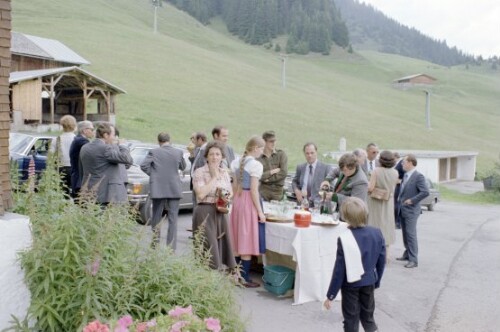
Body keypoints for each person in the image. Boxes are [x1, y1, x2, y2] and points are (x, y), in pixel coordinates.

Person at [323, 197, 386, 332]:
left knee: (351, 319)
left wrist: (331, 295)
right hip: (369, 281)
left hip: (350, 284)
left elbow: (339, 270)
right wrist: (377, 280)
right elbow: (381, 261)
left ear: (346, 217)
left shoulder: (344, 238)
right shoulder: (377, 233)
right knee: (368, 317)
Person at [192, 141, 237, 270]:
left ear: (222, 157)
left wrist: (225, 196)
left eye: (217, 154)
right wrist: (214, 177)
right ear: (206, 156)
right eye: (211, 154)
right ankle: (203, 281)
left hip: (221, 212)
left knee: (221, 248)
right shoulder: (199, 172)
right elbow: (200, 194)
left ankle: (214, 281)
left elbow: (230, 192)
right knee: (207, 248)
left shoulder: (225, 173)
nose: (214, 157)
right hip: (204, 212)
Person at [230, 136, 266, 288]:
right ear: (256, 148)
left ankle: (236, 275)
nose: (262, 152)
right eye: (262, 149)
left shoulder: (236, 162)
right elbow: (253, 190)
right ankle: (244, 277)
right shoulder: (256, 165)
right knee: (246, 237)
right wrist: (260, 212)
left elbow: (234, 186)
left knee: (238, 238)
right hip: (247, 202)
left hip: (237, 201)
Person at [140, 132, 186, 250]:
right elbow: (183, 166)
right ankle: (171, 248)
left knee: (156, 216)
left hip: (158, 188)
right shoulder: (178, 152)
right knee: (173, 219)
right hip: (174, 188)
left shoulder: (154, 152)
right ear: (169, 140)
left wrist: (155, 175)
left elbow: (143, 165)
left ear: (158, 141)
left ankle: (154, 244)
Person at [79, 122, 132, 204]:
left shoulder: (84, 147)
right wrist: (123, 145)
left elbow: (81, 169)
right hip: (106, 194)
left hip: (87, 190)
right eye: (113, 135)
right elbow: (126, 159)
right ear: (106, 135)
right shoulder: (106, 149)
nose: (114, 138)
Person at [396, 154, 429, 268]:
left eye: (404, 162)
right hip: (402, 209)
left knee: (411, 234)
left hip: (411, 210)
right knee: (405, 233)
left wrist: (412, 200)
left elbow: (425, 192)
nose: (402, 164)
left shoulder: (418, 176)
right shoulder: (405, 175)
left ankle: (413, 260)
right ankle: (407, 254)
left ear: (410, 163)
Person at [367, 150, 399, 256]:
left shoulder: (376, 171)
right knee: (386, 225)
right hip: (388, 202)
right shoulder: (395, 173)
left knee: (374, 224)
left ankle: (374, 254)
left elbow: (371, 188)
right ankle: (387, 255)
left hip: (375, 202)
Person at [323, 153, 368, 218]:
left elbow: (356, 203)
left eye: (347, 170)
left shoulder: (361, 181)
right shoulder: (345, 167)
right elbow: (334, 171)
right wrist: (327, 180)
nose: (344, 172)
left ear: (354, 166)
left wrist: (335, 197)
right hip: (338, 212)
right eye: (343, 170)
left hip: (352, 216)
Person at [292, 142, 333, 207]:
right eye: (307, 153)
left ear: (316, 152)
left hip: (318, 205)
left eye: (312, 153)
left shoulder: (326, 168)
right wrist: (296, 191)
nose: (309, 155)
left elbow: (331, 188)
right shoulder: (300, 167)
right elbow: (294, 181)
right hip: (302, 203)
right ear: (304, 154)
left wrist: (324, 199)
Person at [257, 130, 288, 201]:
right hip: (263, 192)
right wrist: (271, 172)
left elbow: (283, 173)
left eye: (275, 141)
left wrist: (267, 180)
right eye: (271, 141)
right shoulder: (258, 158)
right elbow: (258, 175)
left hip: (277, 192)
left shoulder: (281, 154)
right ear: (264, 142)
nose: (274, 143)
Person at [51, 115, 77, 196]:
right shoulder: (76, 139)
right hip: (73, 168)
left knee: (62, 193)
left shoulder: (56, 139)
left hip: (60, 168)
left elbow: (51, 154)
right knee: (74, 193)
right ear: (74, 125)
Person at [70, 120, 94, 199]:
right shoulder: (82, 141)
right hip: (79, 180)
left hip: (77, 178)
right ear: (84, 130)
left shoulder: (78, 140)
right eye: (91, 129)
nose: (93, 132)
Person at [393, 152, 404, 229]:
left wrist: (400, 180)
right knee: (396, 204)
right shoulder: (398, 164)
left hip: (399, 186)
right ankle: (396, 221)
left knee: (397, 204)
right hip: (396, 185)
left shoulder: (400, 164)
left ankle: (398, 222)